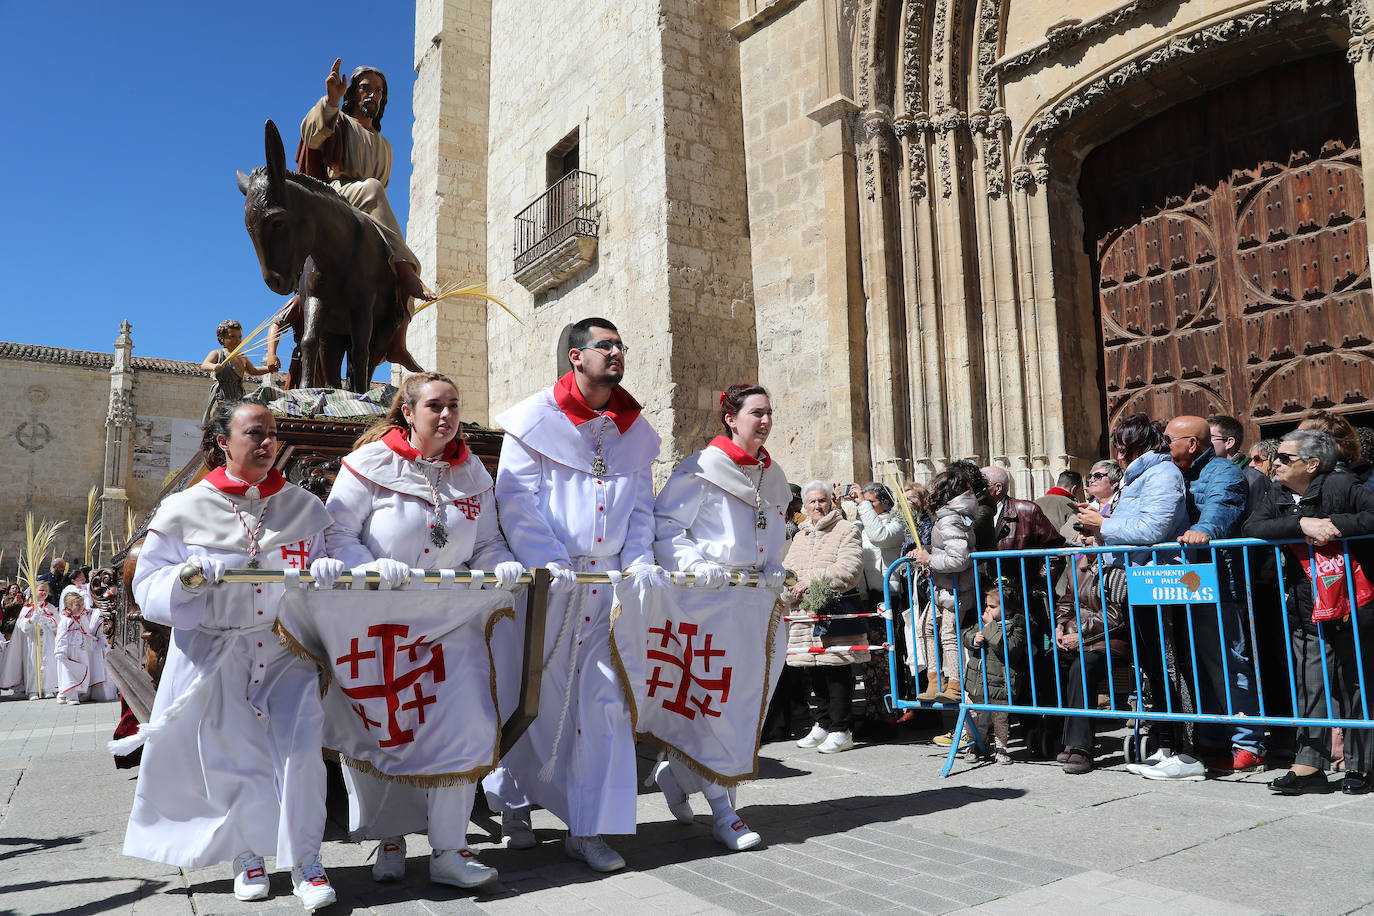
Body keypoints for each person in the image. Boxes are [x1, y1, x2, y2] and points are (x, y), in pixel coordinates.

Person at [117, 400, 338, 912]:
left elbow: (332, 555)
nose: (268, 444)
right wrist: (186, 578)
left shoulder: (303, 506)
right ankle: (249, 854)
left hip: (287, 647)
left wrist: (331, 568)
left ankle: (307, 862)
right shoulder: (184, 508)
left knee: (301, 751)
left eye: (273, 434)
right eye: (255, 434)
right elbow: (147, 583)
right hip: (219, 649)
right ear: (223, 441)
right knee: (236, 756)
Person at [318, 372, 522, 887]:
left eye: (454, 404)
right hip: (382, 623)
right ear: (408, 412)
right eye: (435, 405)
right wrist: (367, 568)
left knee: (467, 723)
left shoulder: (473, 470)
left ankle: (450, 849)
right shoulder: (369, 464)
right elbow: (336, 533)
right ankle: (391, 837)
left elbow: (488, 541)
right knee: (389, 730)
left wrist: (501, 563)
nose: (447, 415)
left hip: (454, 622)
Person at [482, 317, 664, 874]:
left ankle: (589, 828)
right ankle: (513, 806)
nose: (616, 352)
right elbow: (516, 501)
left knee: (606, 708)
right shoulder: (534, 421)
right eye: (604, 345)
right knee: (532, 696)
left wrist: (638, 560)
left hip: (607, 589)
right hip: (551, 584)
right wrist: (550, 563)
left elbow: (640, 507)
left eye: (620, 344)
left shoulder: (633, 429)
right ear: (575, 357)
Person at [650, 383, 790, 850]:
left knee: (748, 706)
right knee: (716, 704)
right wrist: (694, 563)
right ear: (731, 418)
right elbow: (667, 526)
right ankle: (726, 813)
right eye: (757, 413)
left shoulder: (773, 475)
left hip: (756, 604)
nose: (766, 421)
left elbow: (771, 531)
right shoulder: (702, 468)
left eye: (769, 412)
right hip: (711, 602)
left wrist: (774, 561)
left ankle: (679, 777)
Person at [1244, 429, 1374, 795]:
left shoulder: (1342, 485)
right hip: (1305, 603)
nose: (1276, 463)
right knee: (1309, 683)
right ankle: (1308, 766)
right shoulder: (1277, 491)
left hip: (1353, 602)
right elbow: (1253, 526)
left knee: (1356, 682)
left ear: (1312, 463)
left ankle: (1362, 765)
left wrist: (1336, 527)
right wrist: (1301, 525)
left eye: (1285, 458)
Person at [1076, 413, 1195, 778]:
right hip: (1138, 581)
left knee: (1170, 664)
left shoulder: (1162, 473)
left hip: (1160, 579)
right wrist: (1099, 534)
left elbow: (1154, 527)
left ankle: (1186, 751)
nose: (1118, 452)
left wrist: (1104, 525)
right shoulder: (1138, 476)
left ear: (1134, 444)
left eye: (1121, 444)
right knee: (1153, 666)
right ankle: (1164, 744)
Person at [1166, 415, 1265, 774]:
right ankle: (1210, 737)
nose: (1164, 445)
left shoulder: (1221, 472)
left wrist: (1204, 529)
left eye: (1170, 439)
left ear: (1193, 444)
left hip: (1217, 583)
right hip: (1185, 582)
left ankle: (1248, 742)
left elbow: (1222, 505)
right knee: (1196, 667)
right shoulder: (1174, 472)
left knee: (1227, 664)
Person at [299, 60, 434, 310]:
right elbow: (310, 135)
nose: (373, 94)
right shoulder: (338, 121)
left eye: (379, 90)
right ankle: (406, 271)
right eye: (365, 87)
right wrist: (330, 102)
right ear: (352, 92)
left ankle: (398, 340)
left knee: (375, 197)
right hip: (338, 194)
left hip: (370, 205)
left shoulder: (386, 146)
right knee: (372, 188)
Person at [785, 482, 867, 754]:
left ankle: (842, 729)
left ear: (830, 502)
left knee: (837, 669)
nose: (817, 506)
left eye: (821, 501)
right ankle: (822, 724)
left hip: (835, 610)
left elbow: (849, 568)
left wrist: (811, 582)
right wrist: (789, 587)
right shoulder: (800, 535)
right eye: (812, 502)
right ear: (806, 506)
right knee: (814, 669)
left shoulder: (846, 529)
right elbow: (789, 571)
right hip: (805, 613)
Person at [908, 465, 979, 706]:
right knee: (926, 628)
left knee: (948, 634)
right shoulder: (949, 516)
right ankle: (934, 680)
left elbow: (959, 558)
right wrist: (925, 552)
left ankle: (955, 684)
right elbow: (946, 550)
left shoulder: (950, 519)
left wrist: (929, 560)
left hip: (955, 587)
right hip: (943, 586)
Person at [1054, 552, 1129, 774]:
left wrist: (1081, 634)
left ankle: (1080, 746)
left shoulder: (1117, 564)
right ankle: (1054, 735)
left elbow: (1118, 615)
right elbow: (1067, 600)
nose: (1081, 537)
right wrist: (1059, 624)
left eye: (1087, 532)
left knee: (1082, 666)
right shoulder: (1076, 566)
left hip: (1109, 641)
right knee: (1047, 661)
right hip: (1076, 636)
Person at [962, 581, 1026, 764]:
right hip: (978, 681)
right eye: (986, 606)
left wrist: (990, 628)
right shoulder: (981, 622)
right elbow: (966, 636)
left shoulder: (1016, 626)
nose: (987, 610)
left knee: (1000, 718)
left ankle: (1001, 748)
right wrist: (974, 639)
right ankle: (974, 744)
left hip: (1000, 683)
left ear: (1006, 610)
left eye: (992, 606)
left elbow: (1007, 650)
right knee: (974, 714)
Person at [200, 320, 278, 423]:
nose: (237, 340)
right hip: (222, 394)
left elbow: (253, 371)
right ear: (221, 339)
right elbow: (204, 365)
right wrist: (214, 367)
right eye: (232, 337)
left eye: (240, 337)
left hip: (237, 394)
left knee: (236, 420)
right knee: (220, 420)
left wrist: (269, 369)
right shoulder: (217, 353)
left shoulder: (242, 357)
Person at [12, 581, 59, 699]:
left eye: (46, 591)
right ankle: (33, 690)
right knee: (33, 663)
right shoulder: (27, 608)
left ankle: (48, 688)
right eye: (41, 590)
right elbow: (21, 626)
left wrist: (48, 621)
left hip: (48, 640)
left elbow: (58, 624)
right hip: (32, 640)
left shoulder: (50, 607)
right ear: (34, 591)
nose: (44, 593)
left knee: (48, 662)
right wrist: (31, 621)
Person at [54, 590, 100, 705]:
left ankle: (69, 692)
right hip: (69, 651)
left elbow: (86, 632)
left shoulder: (81, 618)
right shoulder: (66, 620)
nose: (81, 607)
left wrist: (92, 642)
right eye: (77, 605)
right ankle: (71, 696)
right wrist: (60, 650)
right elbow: (61, 636)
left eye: (82, 604)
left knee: (80, 669)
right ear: (69, 606)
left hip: (80, 649)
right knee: (69, 672)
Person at [1037, 470, 1084, 539]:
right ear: (1074, 489)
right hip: (1059, 547)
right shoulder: (1072, 506)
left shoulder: (1035, 503)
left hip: (1033, 548)